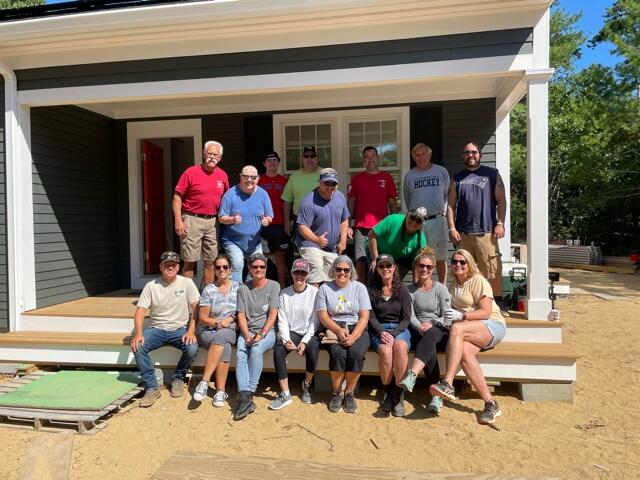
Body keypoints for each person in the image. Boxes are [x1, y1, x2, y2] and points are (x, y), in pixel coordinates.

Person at [430, 249, 507, 425]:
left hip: (493, 325)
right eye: (455, 261)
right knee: (464, 354)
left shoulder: (478, 280)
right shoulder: (453, 285)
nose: (458, 265)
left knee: (457, 330)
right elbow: (451, 312)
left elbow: (486, 312)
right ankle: (490, 403)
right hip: (473, 328)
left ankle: (447, 383)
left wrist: (462, 316)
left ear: (469, 264)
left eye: (462, 262)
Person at [130, 251, 200, 408]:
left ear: (178, 267)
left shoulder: (187, 283)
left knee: (192, 347)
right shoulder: (151, 286)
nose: (171, 267)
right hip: (157, 329)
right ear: (160, 267)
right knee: (138, 346)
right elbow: (140, 311)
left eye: (174, 264)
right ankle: (152, 387)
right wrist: (139, 333)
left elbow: (197, 308)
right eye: (167, 264)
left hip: (180, 329)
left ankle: (178, 378)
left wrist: (191, 331)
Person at [447, 142, 507, 311]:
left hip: (487, 232)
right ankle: (468, 302)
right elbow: (450, 205)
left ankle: (497, 303)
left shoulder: (492, 174)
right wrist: (452, 228)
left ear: (480, 155)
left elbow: (501, 200)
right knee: (464, 270)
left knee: (492, 269)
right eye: (466, 152)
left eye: (474, 152)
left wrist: (500, 223)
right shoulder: (457, 178)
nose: (470, 155)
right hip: (463, 233)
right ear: (462, 156)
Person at [399, 247, 451, 414]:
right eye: (421, 266)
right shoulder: (409, 290)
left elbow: (448, 316)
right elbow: (410, 315)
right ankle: (437, 396)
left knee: (432, 334)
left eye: (428, 267)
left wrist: (433, 323)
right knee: (429, 347)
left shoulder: (440, 288)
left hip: (439, 330)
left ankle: (413, 374)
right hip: (420, 331)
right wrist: (419, 326)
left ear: (433, 269)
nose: (424, 269)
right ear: (416, 267)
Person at [316, 256, 371, 413]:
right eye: (338, 269)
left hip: (357, 328)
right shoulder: (325, 289)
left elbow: (364, 316)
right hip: (334, 327)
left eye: (346, 270)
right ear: (333, 270)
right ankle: (337, 392)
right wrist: (339, 331)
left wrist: (353, 336)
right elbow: (323, 316)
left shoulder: (360, 288)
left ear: (351, 271)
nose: (342, 272)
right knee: (338, 354)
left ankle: (349, 393)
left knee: (356, 353)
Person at [173, 140, 229, 286]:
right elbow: (177, 197)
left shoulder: (223, 175)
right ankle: (188, 298)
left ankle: (206, 298)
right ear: (204, 154)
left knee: (211, 262)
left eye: (215, 155)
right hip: (192, 219)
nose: (212, 157)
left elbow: (227, 199)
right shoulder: (190, 172)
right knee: (189, 261)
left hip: (212, 222)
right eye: (209, 153)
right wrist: (178, 220)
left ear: (220, 158)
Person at [233, 253, 280, 420]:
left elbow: (273, 313)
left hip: (267, 332)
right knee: (240, 354)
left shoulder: (274, 286)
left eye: (262, 266)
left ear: (266, 268)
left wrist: (261, 334)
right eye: (255, 267)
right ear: (249, 269)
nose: (258, 269)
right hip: (248, 331)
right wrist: (246, 336)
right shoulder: (243, 288)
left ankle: (247, 394)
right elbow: (241, 315)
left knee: (256, 349)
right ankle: (246, 395)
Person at [269, 258, 321, 410]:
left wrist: (304, 342)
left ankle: (307, 384)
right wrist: (286, 340)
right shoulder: (284, 293)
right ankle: (285, 393)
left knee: (313, 349)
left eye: (303, 273)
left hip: (309, 332)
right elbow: (282, 320)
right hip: (291, 332)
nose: (299, 275)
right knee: (278, 351)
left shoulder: (315, 293)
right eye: (296, 272)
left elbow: (315, 321)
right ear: (291, 274)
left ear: (308, 275)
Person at [367, 254, 412, 417]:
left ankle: (399, 394)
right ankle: (387, 392)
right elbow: (370, 317)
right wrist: (382, 332)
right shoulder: (371, 290)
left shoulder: (403, 289)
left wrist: (393, 334)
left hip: (399, 330)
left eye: (388, 266)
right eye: (382, 266)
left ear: (394, 268)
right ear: (377, 269)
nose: (385, 269)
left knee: (400, 347)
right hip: (379, 329)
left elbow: (406, 318)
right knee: (386, 352)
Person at [192, 254, 239, 408]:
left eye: (225, 267)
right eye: (218, 267)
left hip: (230, 328)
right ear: (215, 270)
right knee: (224, 345)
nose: (221, 270)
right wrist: (219, 323)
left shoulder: (239, 288)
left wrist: (230, 320)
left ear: (230, 269)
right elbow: (203, 318)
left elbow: (241, 313)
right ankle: (220, 391)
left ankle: (204, 381)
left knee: (223, 336)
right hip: (208, 331)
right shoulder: (209, 289)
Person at [348, 146, 398, 281]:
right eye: (367, 157)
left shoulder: (386, 178)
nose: (370, 159)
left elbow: (392, 202)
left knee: (381, 262)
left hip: (382, 229)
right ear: (364, 160)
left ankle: (378, 292)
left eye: (373, 156)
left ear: (378, 158)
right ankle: (361, 292)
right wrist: (348, 224)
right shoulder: (357, 179)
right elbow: (351, 202)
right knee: (360, 261)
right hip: (361, 228)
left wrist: (396, 224)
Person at [403, 143, 450, 283]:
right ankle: (417, 288)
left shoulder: (441, 171)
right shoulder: (410, 175)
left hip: (437, 220)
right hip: (417, 222)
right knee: (417, 257)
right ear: (414, 158)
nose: (420, 157)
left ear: (429, 155)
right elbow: (407, 197)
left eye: (423, 154)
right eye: (417, 155)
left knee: (440, 257)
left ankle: (442, 288)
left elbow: (446, 193)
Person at [218, 165, 273, 283]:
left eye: (253, 177)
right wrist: (232, 219)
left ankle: (249, 292)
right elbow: (221, 218)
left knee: (257, 266)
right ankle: (237, 295)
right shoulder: (230, 194)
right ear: (240, 177)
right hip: (232, 240)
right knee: (238, 265)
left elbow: (269, 216)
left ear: (258, 178)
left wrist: (266, 221)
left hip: (254, 241)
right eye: (246, 177)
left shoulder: (263, 194)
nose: (249, 180)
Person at [296, 168, 350, 286]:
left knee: (333, 278)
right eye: (327, 183)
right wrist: (317, 240)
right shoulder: (309, 201)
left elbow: (344, 220)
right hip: (311, 244)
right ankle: (315, 303)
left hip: (331, 248)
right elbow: (302, 227)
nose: (330, 187)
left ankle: (327, 303)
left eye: (333, 184)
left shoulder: (340, 196)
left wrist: (343, 241)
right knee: (316, 271)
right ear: (320, 182)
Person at [366, 208, 428, 280]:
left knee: (393, 281)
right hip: (376, 249)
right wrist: (375, 259)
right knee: (375, 274)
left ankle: (394, 283)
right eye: (413, 217)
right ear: (407, 215)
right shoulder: (393, 220)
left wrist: (416, 285)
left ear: (421, 225)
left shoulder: (421, 240)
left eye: (418, 221)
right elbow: (371, 235)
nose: (414, 222)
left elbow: (415, 264)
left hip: (396, 256)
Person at [259, 151, 289, 288]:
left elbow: (288, 203)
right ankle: (262, 288)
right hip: (263, 225)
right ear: (264, 163)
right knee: (262, 258)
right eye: (269, 160)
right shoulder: (258, 181)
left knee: (280, 258)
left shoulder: (284, 181)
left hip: (280, 225)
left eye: (275, 160)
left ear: (278, 163)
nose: (272, 163)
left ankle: (282, 288)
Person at [281, 145, 322, 238]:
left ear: (317, 158)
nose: (309, 159)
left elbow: (334, 198)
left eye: (312, 156)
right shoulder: (294, 176)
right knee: (299, 251)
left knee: (321, 249)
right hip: (299, 220)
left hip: (320, 220)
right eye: (306, 156)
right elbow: (287, 200)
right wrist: (286, 222)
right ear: (302, 158)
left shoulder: (324, 174)